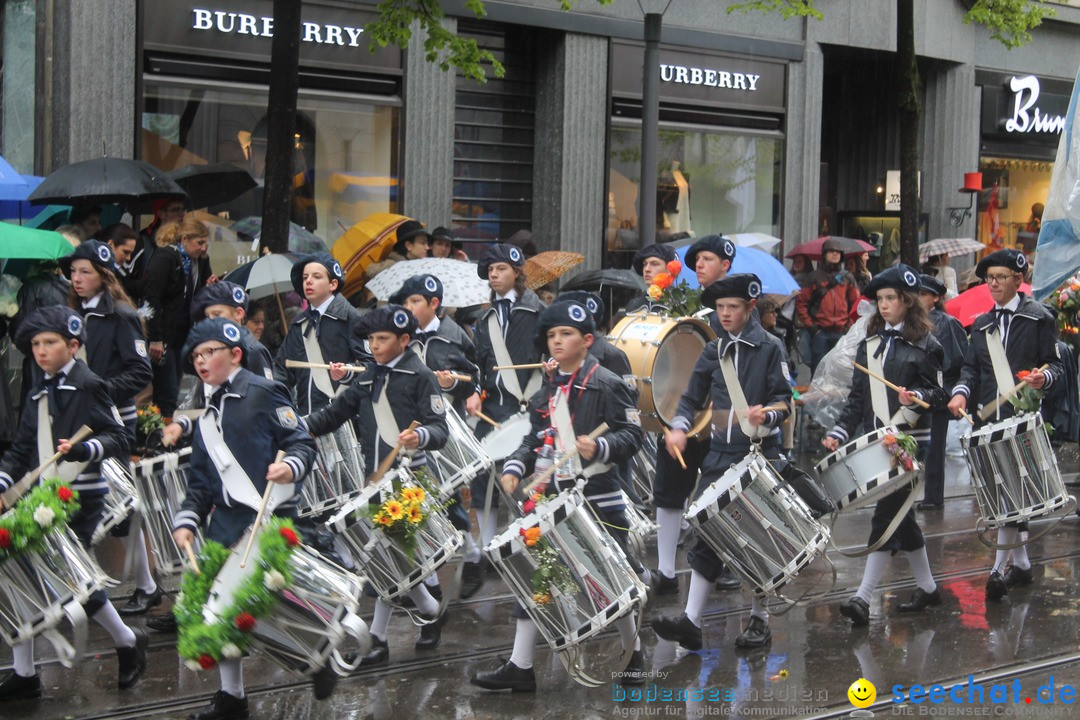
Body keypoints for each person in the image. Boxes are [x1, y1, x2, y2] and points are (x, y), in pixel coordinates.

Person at [471, 300, 647, 692]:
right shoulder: (547, 389)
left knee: (610, 577)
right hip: (552, 498)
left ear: (587, 340)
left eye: (566, 334)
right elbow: (535, 438)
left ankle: (632, 652)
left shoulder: (607, 383)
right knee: (537, 575)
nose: (557, 341)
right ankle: (520, 666)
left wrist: (599, 448)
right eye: (551, 335)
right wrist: (516, 468)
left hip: (599, 498)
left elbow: (634, 435)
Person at [171, 317, 321, 720]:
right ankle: (232, 696)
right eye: (196, 356)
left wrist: (290, 466)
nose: (201, 362)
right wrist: (187, 518)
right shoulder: (204, 413)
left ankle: (319, 655)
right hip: (228, 519)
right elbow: (201, 479)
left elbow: (302, 442)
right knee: (221, 605)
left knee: (275, 602)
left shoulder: (264, 391)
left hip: (270, 513)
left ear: (235, 354)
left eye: (209, 353)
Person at [0, 306, 147, 700]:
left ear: (73, 345)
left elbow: (119, 436)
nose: (41, 351)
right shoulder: (36, 389)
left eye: (50, 343)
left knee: (68, 578)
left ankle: (128, 639)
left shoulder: (89, 384)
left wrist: (86, 448)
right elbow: (21, 448)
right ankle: (25, 672)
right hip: (38, 498)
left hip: (80, 496)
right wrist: (3, 481)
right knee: (29, 572)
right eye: (35, 344)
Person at [653, 274, 792, 651]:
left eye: (733, 307)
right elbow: (690, 397)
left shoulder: (771, 348)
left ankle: (760, 620)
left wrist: (769, 416)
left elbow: (785, 401)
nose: (726, 314)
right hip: (719, 456)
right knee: (708, 535)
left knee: (758, 538)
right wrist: (679, 427)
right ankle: (692, 622)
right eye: (721, 308)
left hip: (760, 455)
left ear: (750, 310)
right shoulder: (714, 350)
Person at [305, 305, 450, 664]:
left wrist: (421, 436)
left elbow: (440, 428)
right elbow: (334, 414)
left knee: (386, 556)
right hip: (374, 479)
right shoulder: (368, 376)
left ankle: (381, 638)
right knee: (386, 558)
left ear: (404, 340)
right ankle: (430, 611)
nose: (374, 345)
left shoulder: (420, 376)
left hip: (410, 479)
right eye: (370, 339)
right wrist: (299, 426)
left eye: (382, 339)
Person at [822, 265, 947, 627]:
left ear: (908, 302)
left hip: (910, 440)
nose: (885, 305)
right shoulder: (869, 344)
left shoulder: (928, 345)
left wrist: (917, 397)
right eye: (880, 299)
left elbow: (939, 393)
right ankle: (928, 587)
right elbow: (857, 401)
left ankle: (862, 597)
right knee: (901, 519)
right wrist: (839, 432)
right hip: (877, 443)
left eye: (891, 298)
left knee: (887, 514)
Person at [947, 249, 1063, 601]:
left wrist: (1044, 378)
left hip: (1024, 419)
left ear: (1018, 279)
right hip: (990, 419)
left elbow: (1056, 365)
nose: (992, 284)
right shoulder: (982, 324)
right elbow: (971, 369)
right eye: (989, 278)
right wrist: (961, 394)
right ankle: (1023, 566)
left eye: (999, 277)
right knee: (1003, 494)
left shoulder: (1040, 318)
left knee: (1012, 494)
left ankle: (998, 570)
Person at [61, 240, 161, 615]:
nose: (77, 278)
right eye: (73, 272)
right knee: (79, 503)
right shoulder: (69, 315)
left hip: (112, 421)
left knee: (119, 507)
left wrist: (98, 391)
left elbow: (140, 371)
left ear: (104, 276)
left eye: (85, 271)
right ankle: (82, 587)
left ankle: (147, 584)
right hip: (76, 423)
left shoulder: (120, 313)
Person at [654, 235, 743, 595]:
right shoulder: (680, 306)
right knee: (669, 488)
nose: (701, 265)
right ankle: (665, 572)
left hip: (721, 413)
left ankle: (726, 563)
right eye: (698, 260)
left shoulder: (736, 307)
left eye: (709, 258)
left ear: (726, 265)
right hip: (683, 407)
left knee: (721, 493)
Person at [390, 274, 486, 599]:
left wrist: (453, 386)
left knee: (445, 497)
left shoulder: (454, 335)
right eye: (405, 302)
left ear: (434, 304)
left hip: (444, 426)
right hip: (410, 427)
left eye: (415, 302)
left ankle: (469, 556)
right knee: (416, 498)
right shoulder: (401, 335)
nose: (408, 307)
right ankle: (426, 574)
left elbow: (474, 376)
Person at [465, 244, 545, 556]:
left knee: (524, 477)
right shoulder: (484, 320)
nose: (495, 275)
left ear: (516, 273)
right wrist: (473, 391)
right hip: (495, 407)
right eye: (491, 271)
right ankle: (487, 547)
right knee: (482, 473)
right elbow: (478, 365)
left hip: (531, 404)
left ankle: (527, 541)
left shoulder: (538, 311)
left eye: (501, 269)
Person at [273, 253, 367, 416]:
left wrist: (347, 372)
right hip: (306, 418)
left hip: (343, 419)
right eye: (304, 277)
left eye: (316, 277)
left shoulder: (351, 318)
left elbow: (373, 366)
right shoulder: (299, 323)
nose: (308, 281)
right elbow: (282, 372)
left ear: (333, 284)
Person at [142, 216, 215, 420]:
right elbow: (150, 298)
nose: (203, 248)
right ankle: (162, 431)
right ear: (184, 240)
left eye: (205, 243)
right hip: (164, 334)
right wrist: (155, 337)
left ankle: (163, 425)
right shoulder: (165, 258)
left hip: (183, 334)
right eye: (199, 243)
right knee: (167, 389)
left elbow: (198, 296)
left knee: (173, 387)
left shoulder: (200, 262)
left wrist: (209, 287)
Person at [917, 274, 969, 510]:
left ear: (935, 298)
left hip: (938, 390)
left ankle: (933, 496)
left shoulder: (947, 323)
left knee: (934, 446)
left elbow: (958, 359)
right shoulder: (910, 321)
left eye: (923, 294)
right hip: (913, 391)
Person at [796, 238, 860, 373]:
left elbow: (857, 304)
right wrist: (813, 327)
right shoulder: (813, 277)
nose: (835, 254)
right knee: (819, 373)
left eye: (838, 252)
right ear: (824, 254)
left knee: (840, 373)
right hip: (820, 332)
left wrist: (849, 325)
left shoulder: (847, 277)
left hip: (841, 332)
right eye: (831, 251)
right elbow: (801, 303)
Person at [125, 198, 186, 305]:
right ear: (161, 214)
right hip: (148, 309)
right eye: (176, 210)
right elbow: (124, 280)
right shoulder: (144, 242)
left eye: (182, 209)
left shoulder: (185, 242)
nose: (181, 214)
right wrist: (148, 285)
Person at [625, 242, 678, 314]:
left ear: (669, 269)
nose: (647, 269)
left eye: (654, 264)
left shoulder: (682, 302)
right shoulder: (634, 306)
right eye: (645, 264)